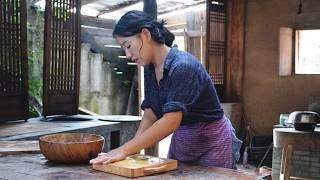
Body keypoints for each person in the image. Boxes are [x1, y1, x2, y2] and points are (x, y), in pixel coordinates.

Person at [89, 10, 242, 169]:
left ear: (145, 35)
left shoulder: (182, 67)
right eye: (124, 49)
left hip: (212, 141)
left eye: (128, 45)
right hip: (184, 139)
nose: (127, 54)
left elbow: (170, 122)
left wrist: (123, 150)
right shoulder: (149, 67)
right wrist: (130, 152)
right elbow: (151, 113)